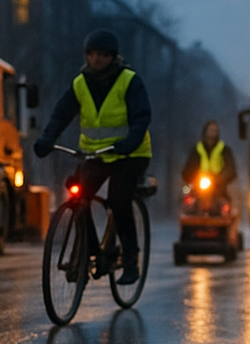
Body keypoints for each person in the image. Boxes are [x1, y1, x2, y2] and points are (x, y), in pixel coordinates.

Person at [33, 29, 152, 285]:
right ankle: (92, 249)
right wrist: (47, 138)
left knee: (119, 200)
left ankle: (131, 260)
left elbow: (142, 117)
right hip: (96, 155)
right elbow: (60, 115)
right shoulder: (80, 83)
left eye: (102, 55)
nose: (95, 59)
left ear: (113, 56)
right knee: (77, 195)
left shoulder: (129, 81)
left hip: (129, 154)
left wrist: (130, 142)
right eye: (91, 54)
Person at [181, 120, 237, 198]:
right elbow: (188, 169)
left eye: (215, 131)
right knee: (188, 206)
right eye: (211, 130)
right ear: (205, 132)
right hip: (198, 191)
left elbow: (230, 170)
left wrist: (219, 179)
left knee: (225, 206)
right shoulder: (196, 149)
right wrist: (195, 178)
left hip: (219, 190)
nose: (213, 133)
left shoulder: (224, 150)